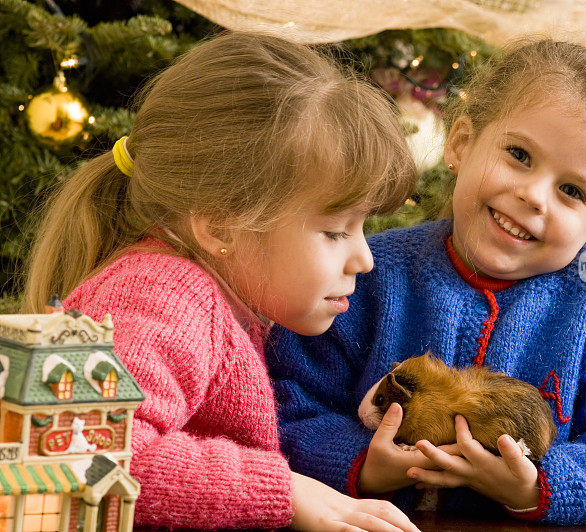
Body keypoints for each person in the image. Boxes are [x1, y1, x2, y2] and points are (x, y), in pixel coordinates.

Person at [265, 39, 586, 525]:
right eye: (519, 154)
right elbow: (281, 401)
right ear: (460, 144)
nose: (534, 196)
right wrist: (361, 465)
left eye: (572, 191)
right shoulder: (372, 274)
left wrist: (536, 484)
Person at [23, 32, 421, 532]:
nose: (363, 259)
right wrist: (284, 489)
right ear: (219, 226)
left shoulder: (220, 297)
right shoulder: (162, 294)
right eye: (335, 231)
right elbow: (83, 453)